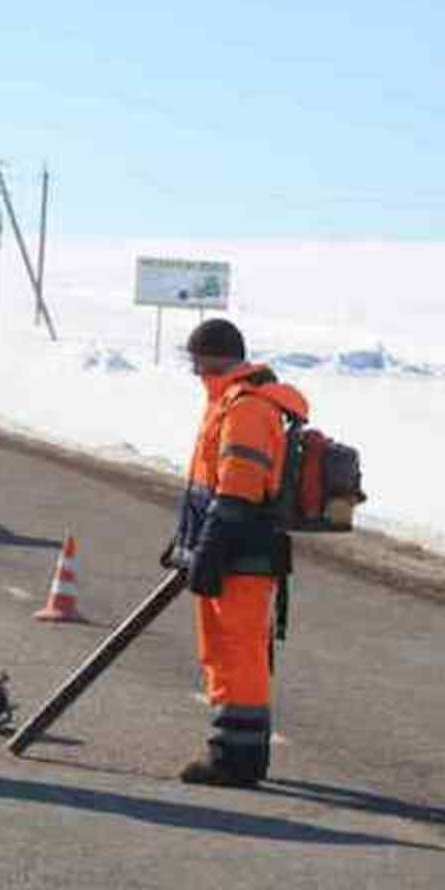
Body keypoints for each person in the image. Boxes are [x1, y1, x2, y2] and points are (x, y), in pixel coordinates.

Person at [164, 318, 307, 787]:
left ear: (209, 360)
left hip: (239, 556)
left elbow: (238, 490)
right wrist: (188, 542)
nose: (193, 371)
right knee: (231, 653)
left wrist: (208, 550)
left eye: (195, 361)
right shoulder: (230, 401)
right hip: (233, 551)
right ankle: (241, 751)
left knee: (237, 655)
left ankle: (235, 760)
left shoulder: (245, 409)